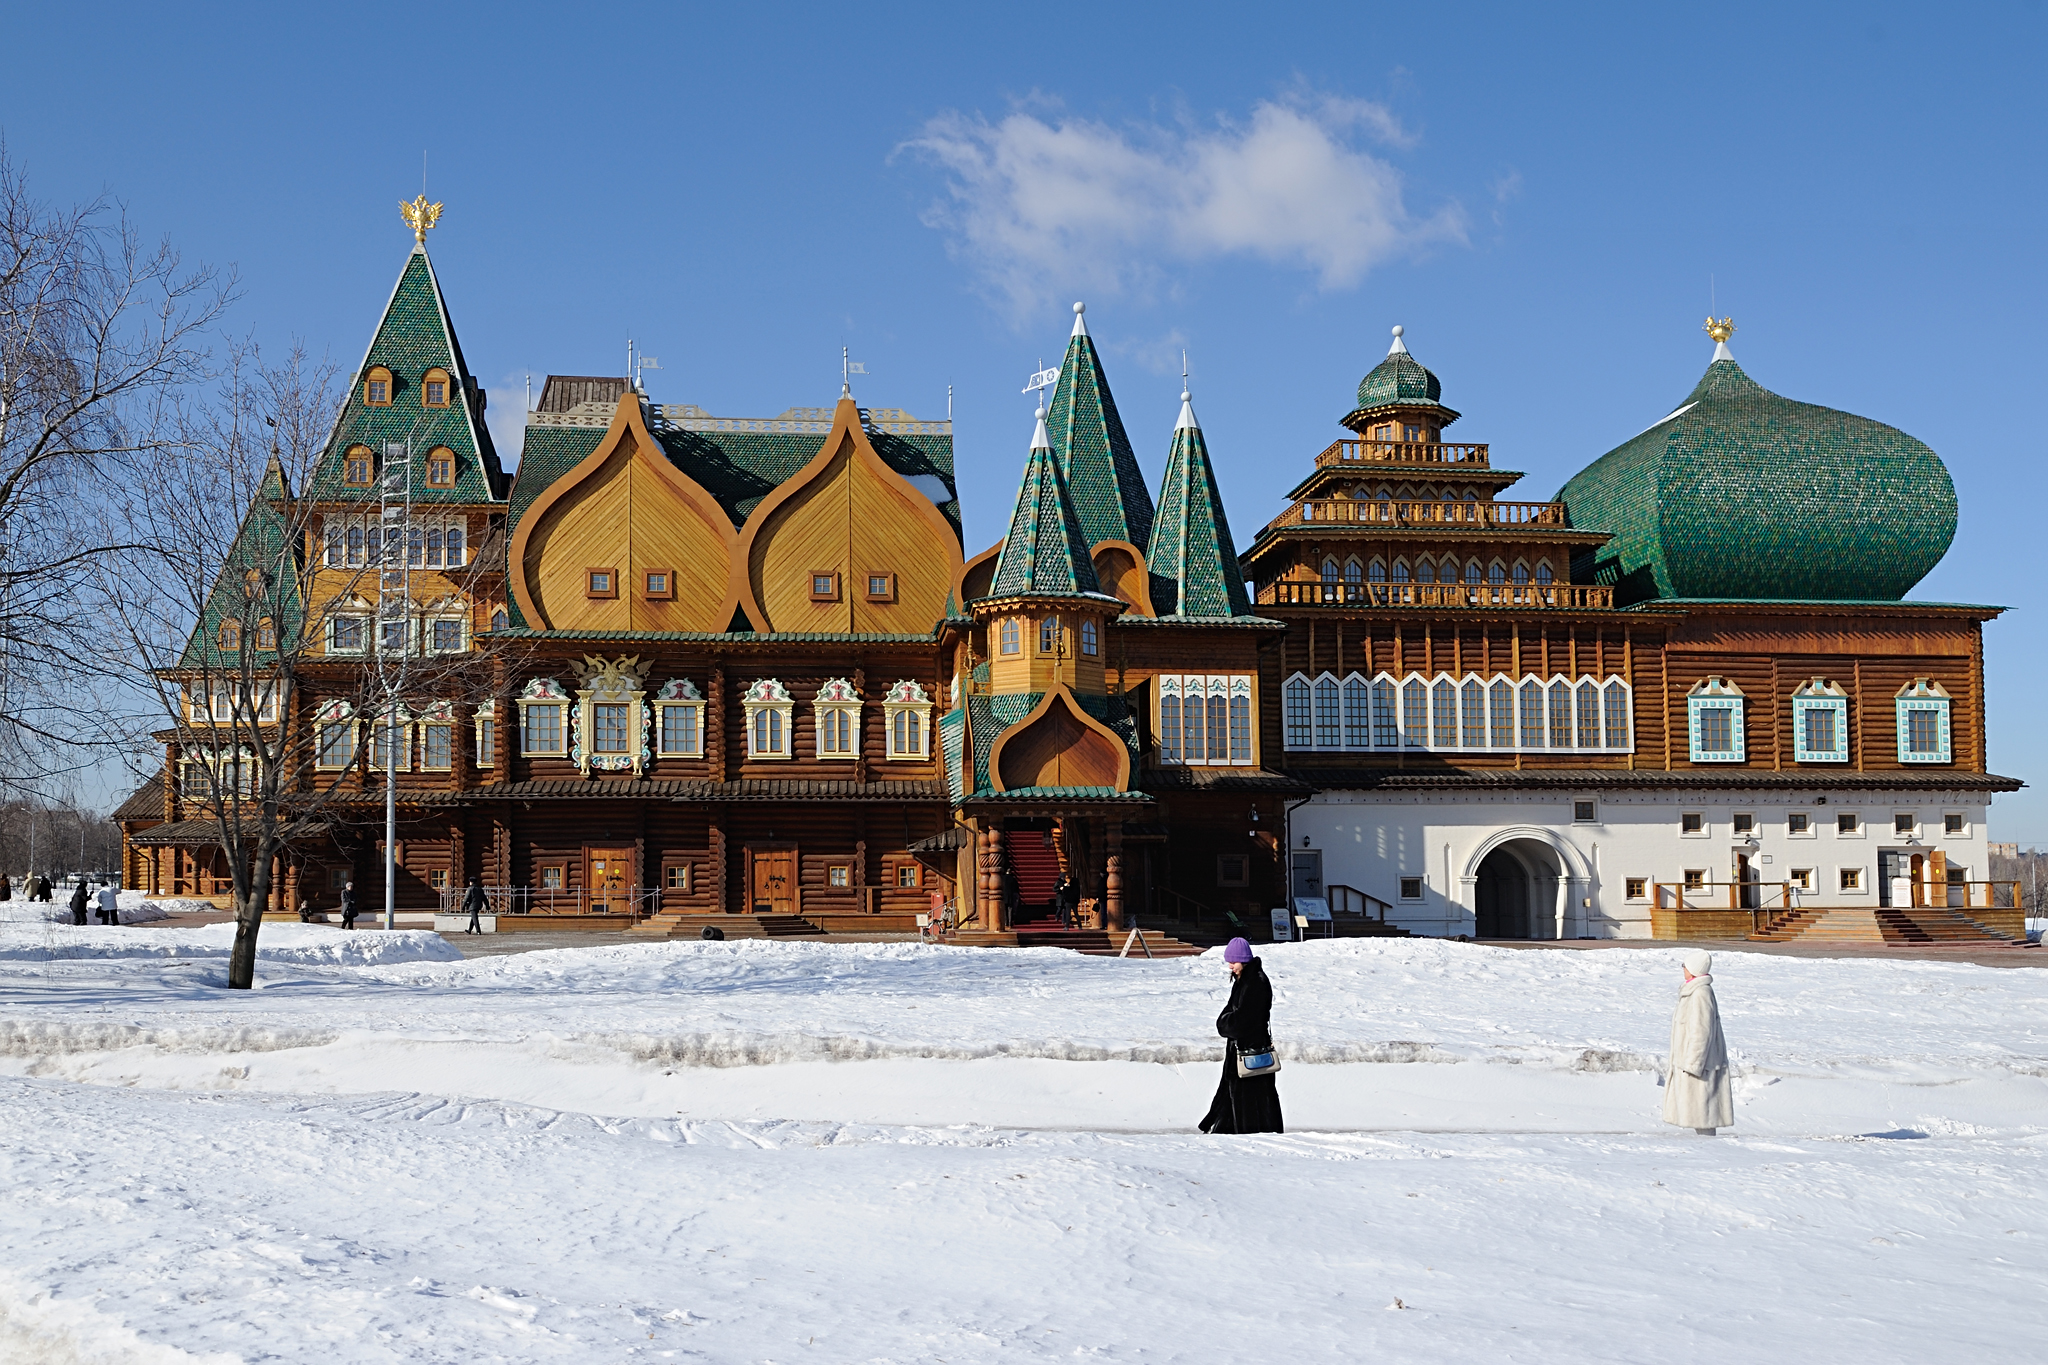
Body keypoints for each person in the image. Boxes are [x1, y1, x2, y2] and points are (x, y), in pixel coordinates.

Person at [1199, 937, 1284, 1134]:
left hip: (1250, 1052)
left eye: (1233, 962)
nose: (1230, 967)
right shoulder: (1245, 980)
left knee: (1250, 1100)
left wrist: (1224, 1023)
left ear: (1244, 960)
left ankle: (1249, 1135)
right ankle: (1230, 1133)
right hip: (1243, 1052)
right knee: (1238, 1098)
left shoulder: (1255, 983)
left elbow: (1243, 1021)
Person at [1663, 949, 1733, 1135]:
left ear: (1693, 969)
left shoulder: (1701, 993)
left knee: (1703, 1116)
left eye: (1684, 965)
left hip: (1700, 1066)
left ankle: (1708, 1155)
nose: (1683, 969)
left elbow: (1701, 1031)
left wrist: (1693, 1063)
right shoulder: (1693, 990)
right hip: (1693, 1063)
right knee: (1699, 1115)